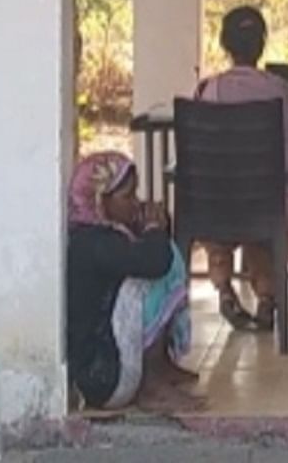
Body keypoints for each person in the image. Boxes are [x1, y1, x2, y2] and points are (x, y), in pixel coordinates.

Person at [193, 6, 288, 333]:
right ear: (261, 44)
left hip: (219, 208)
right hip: (268, 207)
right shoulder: (278, 90)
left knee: (223, 215)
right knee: (276, 220)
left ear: (224, 44)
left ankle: (224, 288)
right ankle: (266, 296)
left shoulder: (208, 91)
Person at [66, 151, 199, 412]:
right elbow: (155, 263)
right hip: (105, 378)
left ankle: (161, 366)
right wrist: (154, 229)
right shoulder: (94, 243)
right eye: (127, 197)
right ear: (100, 201)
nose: (136, 203)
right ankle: (151, 386)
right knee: (146, 283)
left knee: (167, 253)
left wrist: (154, 229)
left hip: (107, 373)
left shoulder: (101, 235)